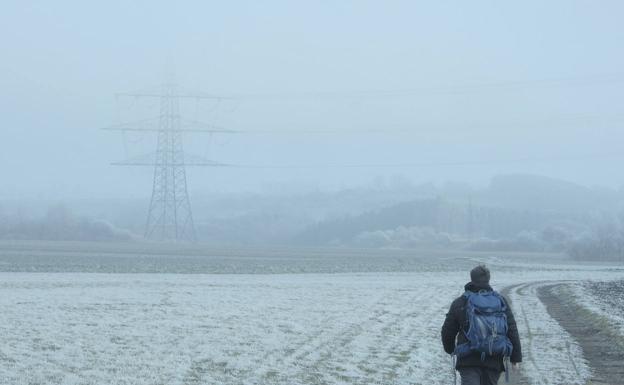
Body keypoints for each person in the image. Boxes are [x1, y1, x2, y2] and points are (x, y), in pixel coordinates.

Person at [441, 265, 522, 385]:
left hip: (468, 359)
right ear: (488, 279)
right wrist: (516, 357)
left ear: (471, 279)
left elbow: (447, 331)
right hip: (493, 358)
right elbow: (511, 328)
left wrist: (450, 349)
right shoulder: (500, 301)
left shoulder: (461, 301)